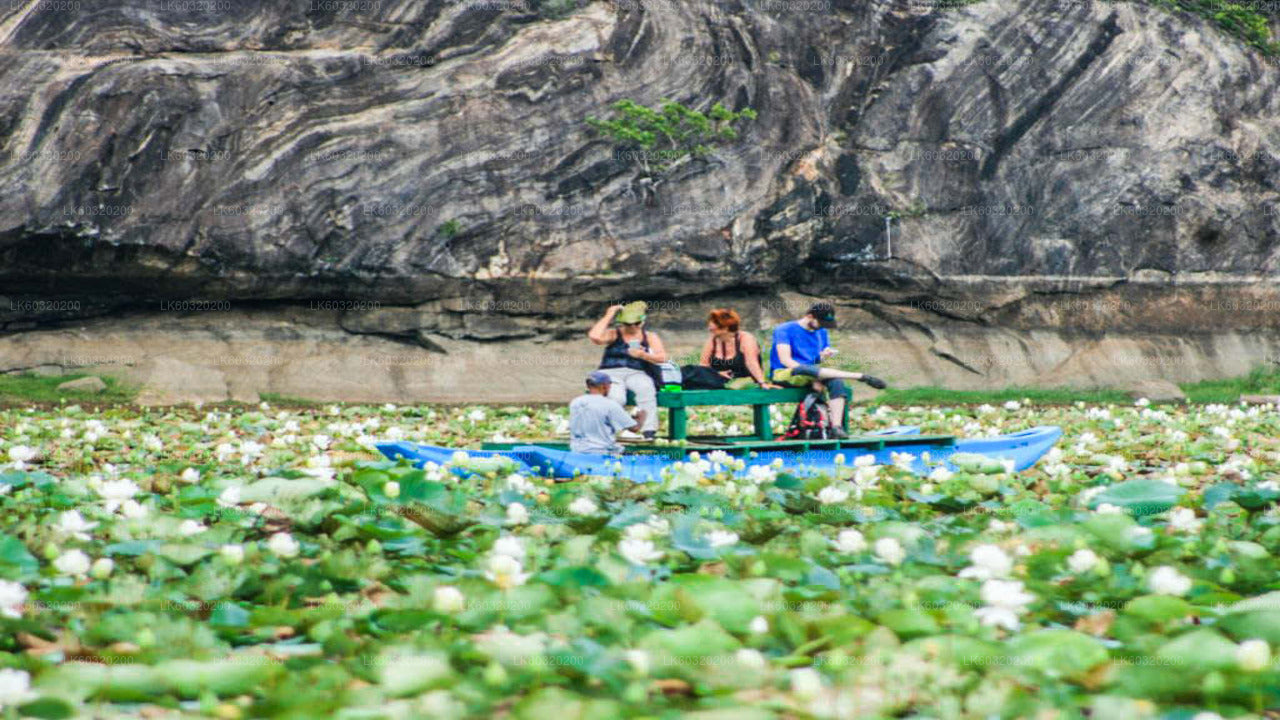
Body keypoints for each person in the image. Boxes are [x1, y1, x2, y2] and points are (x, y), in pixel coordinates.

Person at [769, 302, 886, 438]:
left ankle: (836, 427)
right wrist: (810, 371)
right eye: (821, 322)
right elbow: (785, 360)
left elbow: (815, 361)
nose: (822, 327)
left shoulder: (822, 332)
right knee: (809, 370)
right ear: (809, 316)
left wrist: (822, 357)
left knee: (836, 382)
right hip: (785, 373)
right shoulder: (784, 329)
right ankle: (861, 376)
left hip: (811, 372)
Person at [587, 301, 666, 439]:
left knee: (646, 388)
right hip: (611, 372)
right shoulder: (614, 334)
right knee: (616, 397)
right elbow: (595, 336)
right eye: (629, 324)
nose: (633, 327)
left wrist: (643, 355)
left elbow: (661, 357)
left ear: (642, 322)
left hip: (636, 372)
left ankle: (649, 430)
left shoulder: (650, 336)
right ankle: (610, 431)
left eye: (636, 323)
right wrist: (609, 314)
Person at [569, 371, 646, 455]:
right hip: (603, 451)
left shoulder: (575, 402)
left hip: (577, 450)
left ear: (588, 386)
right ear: (605, 386)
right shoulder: (610, 404)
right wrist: (642, 417)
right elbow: (634, 428)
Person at [698, 308, 779, 388]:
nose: (710, 327)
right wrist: (716, 374)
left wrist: (762, 382)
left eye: (714, 323)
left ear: (725, 327)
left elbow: (752, 363)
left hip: (748, 386)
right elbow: (703, 366)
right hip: (720, 386)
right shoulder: (712, 341)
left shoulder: (746, 339)